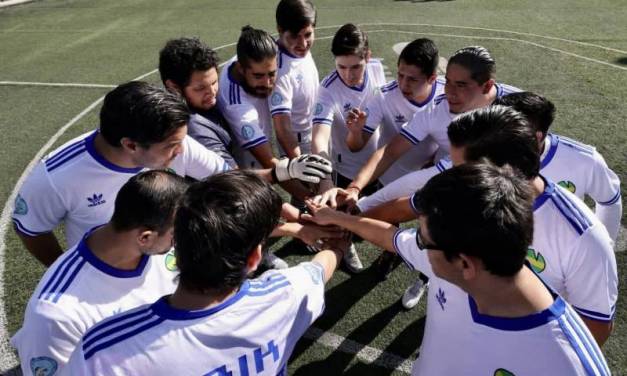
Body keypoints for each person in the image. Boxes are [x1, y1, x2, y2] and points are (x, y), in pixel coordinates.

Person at [304, 162, 610, 375]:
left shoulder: (570, 365)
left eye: (423, 240)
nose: (416, 244)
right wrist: (337, 218)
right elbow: (389, 236)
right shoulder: (476, 267)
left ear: (464, 263)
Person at [360, 106, 617, 344]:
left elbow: (595, 327)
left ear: (502, 170)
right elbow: (404, 209)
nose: (454, 176)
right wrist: (352, 214)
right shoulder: (463, 191)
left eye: (464, 168)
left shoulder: (584, 237)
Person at [13, 81, 332, 267]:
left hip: (168, 270)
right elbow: (30, 229)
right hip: (106, 283)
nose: (182, 153)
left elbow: (230, 179)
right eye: (172, 147)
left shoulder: (174, 143)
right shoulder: (56, 176)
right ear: (130, 145)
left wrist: (282, 172)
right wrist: (65, 269)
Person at [62, 170, 347, 375]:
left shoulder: (104, 352)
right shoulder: (284, 293)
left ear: (175, 241)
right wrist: (338, 242)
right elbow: (320, 268)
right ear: (254, 259)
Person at [12, 170, 187, 375]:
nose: (182, 239)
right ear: (145, 237)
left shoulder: (154, 244)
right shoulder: (55, 316)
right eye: (176, 233)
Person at [320, 46, 520, 206]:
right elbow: (390, 151)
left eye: (460, 85)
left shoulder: (519, 107)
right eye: (448, 82)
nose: (449, 91)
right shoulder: (434, 111)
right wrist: (355, 189)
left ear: (486, 86)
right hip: (449, 185)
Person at [345, 37, 444, 284]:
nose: (403, 84)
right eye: (400, 75)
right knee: (390, 217)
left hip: (429, 177)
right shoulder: (384, 96)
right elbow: (358, 146)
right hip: (391, 174)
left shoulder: (446, 99)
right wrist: (356, 132)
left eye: (412, 79)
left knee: (428, 225)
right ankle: (392, 252)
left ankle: (423, 273)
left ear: (432, 78)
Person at [494, 92, 622, 242]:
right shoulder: (480, 152)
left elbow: (609, 201)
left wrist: (605, 243)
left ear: (536, 137)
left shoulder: (584, 160)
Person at [310, 23, 386, 273]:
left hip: (375, 161)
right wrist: (325, 182)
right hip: (346, 167)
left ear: (368, 57)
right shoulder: (328, 89)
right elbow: (319, 139)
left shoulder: (376, 70)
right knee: (342, 216)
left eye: (355, 67)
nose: (348, 74)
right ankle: (346, 247)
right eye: (341, 67)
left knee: (368, 208)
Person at [159, 36, 237, 168]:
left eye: (214, 82)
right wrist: (278, 173)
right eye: (200, 88)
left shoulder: (205, 104)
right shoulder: (194, 128)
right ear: (173, 87)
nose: (212, 92)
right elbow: (232, 177)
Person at [270, 0, 319, 159]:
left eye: (308, 35)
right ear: (280, 30)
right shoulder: (279, 70)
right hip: (298, 144)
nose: (303, 44)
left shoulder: (297, 51)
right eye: (295, 36)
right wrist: (301, 162)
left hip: (315, 132)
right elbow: (283, 128)